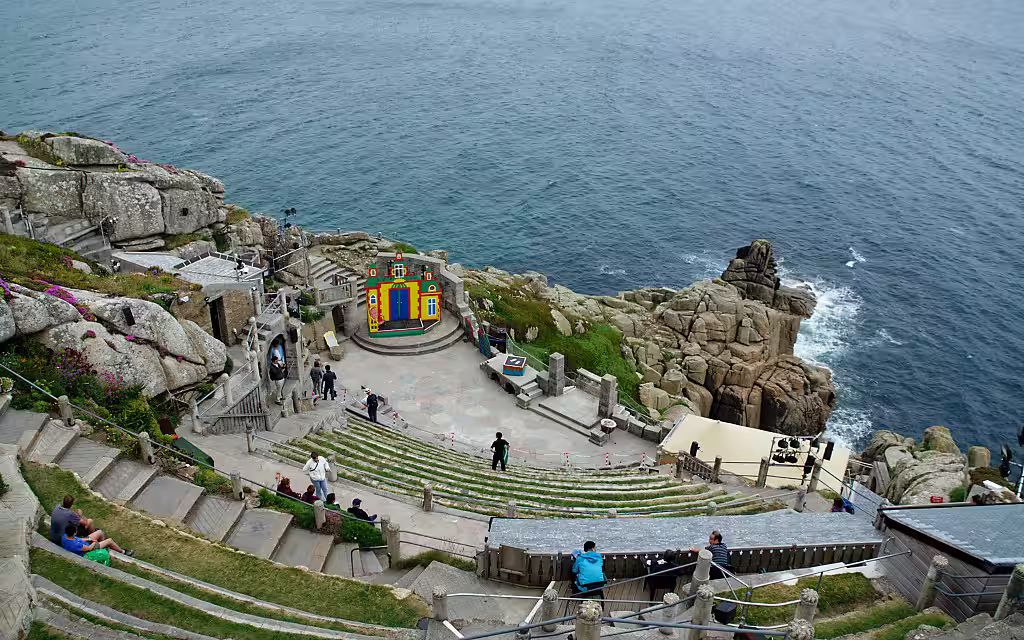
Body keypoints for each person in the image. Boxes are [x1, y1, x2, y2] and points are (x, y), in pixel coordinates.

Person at [61, 524, 133, 564]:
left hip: (85, 543)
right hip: (89, 549)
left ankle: (104, 546)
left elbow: (78, 539)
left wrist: (89, 539)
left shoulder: (65, 537)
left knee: (100, 532)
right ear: (74, 533)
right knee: (109, 540)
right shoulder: (76, 545)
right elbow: (88, 548)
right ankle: (123, 552)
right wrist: (95, 542)